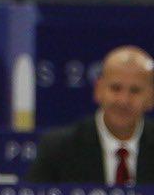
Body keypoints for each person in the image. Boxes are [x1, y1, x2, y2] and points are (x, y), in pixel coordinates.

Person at [27, 47, 154, 184]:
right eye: (115, 88)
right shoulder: (57, 149)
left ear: (151, 98)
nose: (124, 101)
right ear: (98, 90)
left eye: (135, 91)